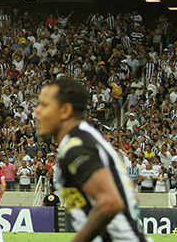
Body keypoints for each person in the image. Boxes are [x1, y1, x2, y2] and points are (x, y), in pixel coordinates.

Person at [35, 78, 150, 242]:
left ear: (65, 110)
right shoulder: (83, 138)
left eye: (44, 105)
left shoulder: (77, 147)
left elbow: (110, 202)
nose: (36, 111)